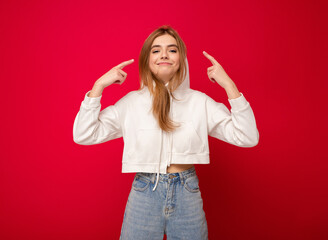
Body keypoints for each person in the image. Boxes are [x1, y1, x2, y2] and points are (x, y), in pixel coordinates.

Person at [73, 25, 259, 240]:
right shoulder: (131, 103)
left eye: (172, 49)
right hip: (144, 192)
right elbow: (84, 134)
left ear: (181, 58)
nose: (163, 54)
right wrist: (98, 87)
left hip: (187, 193)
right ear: (147, 59)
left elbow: (248, 136)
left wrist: (229, 85)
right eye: (155, 50)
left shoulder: (200, 102)